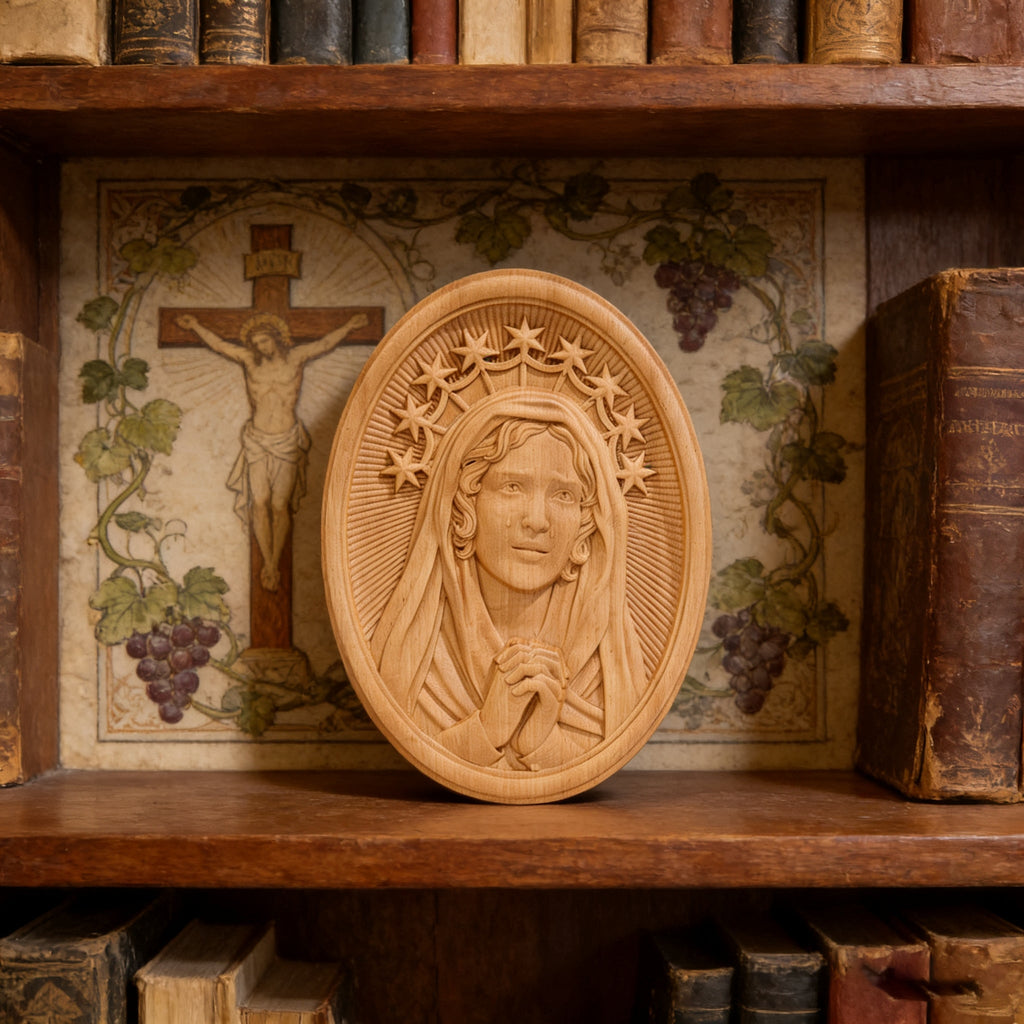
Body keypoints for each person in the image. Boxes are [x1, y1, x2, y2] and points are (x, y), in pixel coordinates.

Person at [371, 389, 647, 771]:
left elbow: (597, 764)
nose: (536, 519)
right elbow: (418, 749)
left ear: (587, 525)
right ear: (465, 503)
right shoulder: (414, 659)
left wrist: (541, 743)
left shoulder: (610, 674)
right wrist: (487, 728)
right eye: (512, 487)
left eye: (564, 495)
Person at [176, 310, 368, 591]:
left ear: (277, 339)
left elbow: (325, 344)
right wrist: (195, 326)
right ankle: (268, 562)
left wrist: (350, 325)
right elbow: (220, 346)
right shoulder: (250, 363)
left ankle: (273, 562)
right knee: (260, 501)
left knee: (280, 506)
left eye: (265, 341)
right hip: (256, 439)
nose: (261, 348)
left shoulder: (296, 358)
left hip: (286, 440)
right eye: (256, 343)